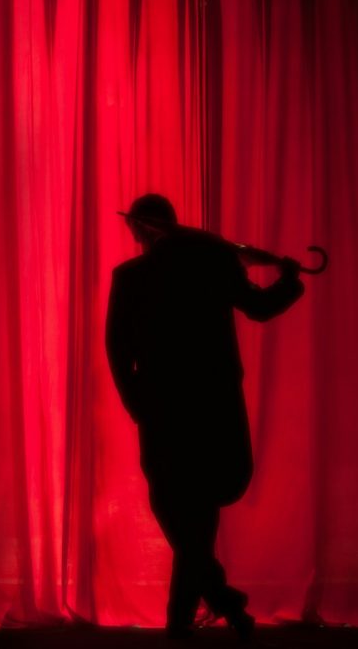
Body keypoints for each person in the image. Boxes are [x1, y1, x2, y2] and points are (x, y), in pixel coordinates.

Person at [105, 194, 305, 640]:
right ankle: (220, 608)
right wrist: (289, 280)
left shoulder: (132, 276)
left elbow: (117, 350)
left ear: (140, 230)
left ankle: (197, 616)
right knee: (196, 517)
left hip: (164, 411)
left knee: (178, 512)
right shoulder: (213, 262)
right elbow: (260, 307)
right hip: (211, 409)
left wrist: (137, 403)